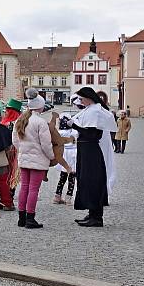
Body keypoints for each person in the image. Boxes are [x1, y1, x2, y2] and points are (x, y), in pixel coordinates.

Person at [67, 87, 117, 227]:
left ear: (88, 97)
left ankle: (96, 217)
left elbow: (92, 134)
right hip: (86, 150)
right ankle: (92, 213)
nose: (80, 101)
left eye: (82, 98)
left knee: (92, 182)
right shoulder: (90, 109)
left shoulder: (95, 111)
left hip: (91, 151)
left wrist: (75, 126)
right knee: (87, 181)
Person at [12, 88, 54, 229]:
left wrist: (22, 150)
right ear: (40, 106)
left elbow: (15, 141)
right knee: (33, 189)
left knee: (24, 188)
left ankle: (21, 218)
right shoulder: (40, 122)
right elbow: (46, 144)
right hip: (38, 160)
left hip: (24, 159)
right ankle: (30, 218)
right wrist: (52, 157)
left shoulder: (20, 120)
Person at [0, 98, 23, 198]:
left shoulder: (7, 123)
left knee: (6, 175)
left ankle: (6, 198)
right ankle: (9, 197)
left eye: (7, 110)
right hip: (15, 152)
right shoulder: (21, 123)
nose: (6, 113)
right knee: (12, 175)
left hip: (7, 152)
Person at [54, 116, 78, 205]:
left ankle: (57, 196)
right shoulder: (74, 132)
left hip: (64, 153)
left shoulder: (59, 133)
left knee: (62, 177)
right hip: (73, 154)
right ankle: (68, 198)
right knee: (72, 177)